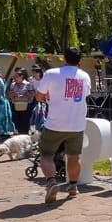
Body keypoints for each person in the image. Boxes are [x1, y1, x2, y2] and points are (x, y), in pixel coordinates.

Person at [35, 46, 92, 203]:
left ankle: (51, 182)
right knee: (74, 157)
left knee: (46, 155)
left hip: (55, 123)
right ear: (79, 61)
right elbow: (84, 95)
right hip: (77, 124)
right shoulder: (85, 76)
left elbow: (39, 97)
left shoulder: (51, 74)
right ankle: (73, 187)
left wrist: (47, 94)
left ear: (64, 58)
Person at [7, 67, 36, 135]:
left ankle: (24, 135)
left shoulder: (28, 84)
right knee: (16, 121)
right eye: (14, 77)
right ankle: (18, 134)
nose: (15, 78)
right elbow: (9, 94)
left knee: (25, 121)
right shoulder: (13, 84)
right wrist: (13, 94)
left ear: (21, 76)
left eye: (16, 77)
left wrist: (26, 95)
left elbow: (33, 94)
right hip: (15, 105)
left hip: (26, 106)